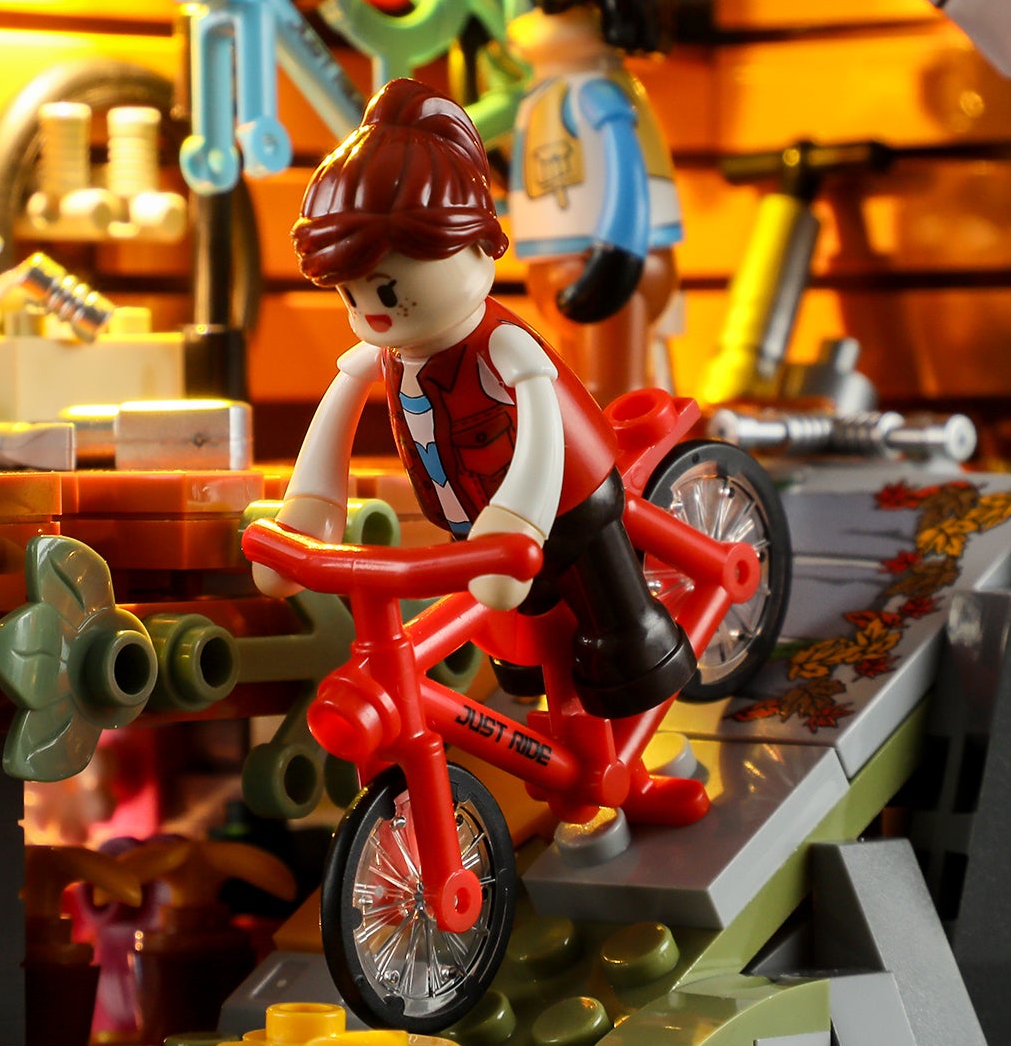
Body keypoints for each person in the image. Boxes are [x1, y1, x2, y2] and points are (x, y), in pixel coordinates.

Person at [251, 76, 696, 720]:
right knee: (519, 659)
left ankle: (645, 671)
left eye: (385, 288)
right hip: (474, 523)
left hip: (566, 502)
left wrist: (517, 517)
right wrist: (309, 511)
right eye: (351, 293)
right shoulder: (392, 353)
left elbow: (542, 424)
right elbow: (335, 416)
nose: (371, 311)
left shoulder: (502, 344)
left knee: (624, 648)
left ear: (478, 244)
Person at [472, 0, 683, 405]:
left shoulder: (595, 92)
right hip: (562, 264)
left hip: (611, 268)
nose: (514, 16)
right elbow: (544, 179)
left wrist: (617, 255)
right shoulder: (548, 92)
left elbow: (625, 174)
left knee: (611, 396)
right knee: (571, 392)